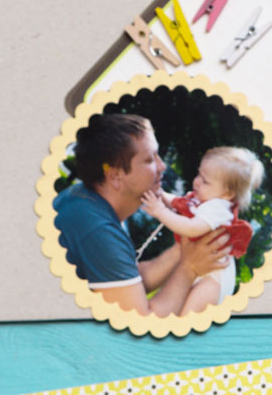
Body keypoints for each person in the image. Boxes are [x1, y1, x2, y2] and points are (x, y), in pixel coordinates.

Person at [52, 113, 231, 316]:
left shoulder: (92, 202)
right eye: (149, 159)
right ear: (115, 176)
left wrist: (186, 246)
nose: (162, 166)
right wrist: (189, 268)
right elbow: (140, 325)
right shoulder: (96, 229)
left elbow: (128, 280)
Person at [139, 146, 264, 312]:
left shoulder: (218, 208)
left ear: (227, 193)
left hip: (215, 278)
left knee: (187, 316)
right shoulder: (206, 199)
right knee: (177, 310)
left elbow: (191, 228)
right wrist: (160, 194)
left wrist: (160, 211)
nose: (196, 181)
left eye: (205, 181)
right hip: (204, 268)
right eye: (199, 174)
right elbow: (179, 201)